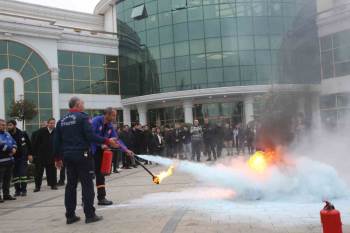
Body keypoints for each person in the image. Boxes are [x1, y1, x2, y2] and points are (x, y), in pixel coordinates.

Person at [53, 97, 122, 224]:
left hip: (68, 156)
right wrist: (107, 141)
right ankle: (90, 215)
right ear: (78, 104)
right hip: (82, 155)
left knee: (71, 185)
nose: (83, 106)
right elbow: (90, 136)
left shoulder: (61, 121)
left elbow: (56, 141)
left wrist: (57, 158)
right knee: (87, 184)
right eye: (83, 103)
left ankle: (70, 215)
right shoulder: (83, 117)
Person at [91, 108, 133, 206]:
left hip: (101, 151)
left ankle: (101, 198)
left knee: (101, 174)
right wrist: (101, 144)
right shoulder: (96, 121)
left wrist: (126, 150)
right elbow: (90, 136)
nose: (115, 117)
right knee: (89, 176)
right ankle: (86, 200)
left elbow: (116, 140)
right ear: (107, 115)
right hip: (91, 151)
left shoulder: (109, 126)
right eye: (113, 115)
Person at [6, 120, 32, 196]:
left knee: (23, 174)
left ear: (15, 125)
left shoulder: (22, 133)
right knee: (15, 176)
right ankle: (17, 190)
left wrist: (30, 154)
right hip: (12, 158)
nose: (9, 127)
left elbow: (29, 144)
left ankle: (24, 190)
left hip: (22, 157)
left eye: (10, 125)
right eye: (8, 125)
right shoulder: (7, 135)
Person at [32, 118, 58, 192]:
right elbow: (35, 143)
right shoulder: (41, 131)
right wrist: (34, 154)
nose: (52, 124)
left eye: (53, 123)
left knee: (52, 171)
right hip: (41, 155)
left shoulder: (56, 131)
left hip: (52, 155)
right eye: (50, 123)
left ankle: (53, 185)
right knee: (38, 172)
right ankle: (37, 186)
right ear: (48, 123)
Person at [0, 119, 17, 202]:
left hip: (10, 161)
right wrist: (11, 150)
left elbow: (14, 142)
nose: (4, 126)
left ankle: (6, 195)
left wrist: (14, 148)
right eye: (2, 125)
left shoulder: (7, 134)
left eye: (4, 125)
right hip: (1, 162)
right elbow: (1, 146)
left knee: (7, 180)